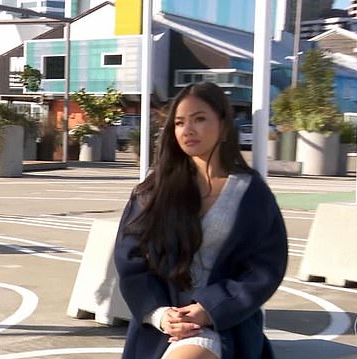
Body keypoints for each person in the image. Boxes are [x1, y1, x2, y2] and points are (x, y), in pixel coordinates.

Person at [114, 82, 288, 359]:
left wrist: (210, 309)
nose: (188, 130)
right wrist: (159, 313)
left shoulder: (251, 193)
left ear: (223, 124)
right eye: (180, 122)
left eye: (199, 119)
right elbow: (130, 260)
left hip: (221, 326)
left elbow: (265, 268)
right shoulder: (153, 191)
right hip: (162, 325)